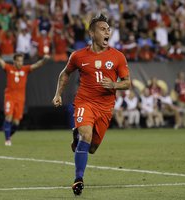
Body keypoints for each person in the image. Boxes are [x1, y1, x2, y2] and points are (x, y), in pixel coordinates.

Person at [52, 14, 130, 196]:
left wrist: (114, 85)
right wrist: (58, 94)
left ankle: (76, 135)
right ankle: (78, 179)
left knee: (92, 148)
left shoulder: (117, 56)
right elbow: (65, 74)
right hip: (84, 102)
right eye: (103, 29)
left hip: (105, 107)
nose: (107, 32)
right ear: (92, 33)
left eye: (109, 29)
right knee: (86, 135)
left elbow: (127, 82)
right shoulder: (78, 56)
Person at [0, 45, 50, 146]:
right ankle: (7, 139)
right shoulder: (8, 68)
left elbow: (37, 65)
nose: (20, 63)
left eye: (21, 61)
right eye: (18, 61)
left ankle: (8, 133)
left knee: (16, 123)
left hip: (20, 99)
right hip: (9, 97)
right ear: (14, 61)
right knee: (8, 117)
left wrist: (44, 60)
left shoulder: (25, 69)